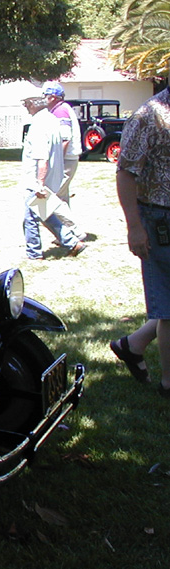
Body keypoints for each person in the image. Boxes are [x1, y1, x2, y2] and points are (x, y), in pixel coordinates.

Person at [109, 85, 170, 396]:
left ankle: (132, 345)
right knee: (169, 309)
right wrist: (135, 226)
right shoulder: (150, 115)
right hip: (161, 219)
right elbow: (126, 173)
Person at [21, 96, 86, 260]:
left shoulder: (38, 125)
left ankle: (34, 253)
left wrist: (39, 184)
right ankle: (72, 242)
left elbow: (42, 157)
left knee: (30, 218)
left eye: (26, 104)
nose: (25, 107)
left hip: (37, 179)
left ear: (33, 104)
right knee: (45, 213)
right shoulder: (51, 120)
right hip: (51, 176)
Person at [42, 81, 85, 239]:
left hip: (66, 160)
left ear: (53, 97)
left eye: (45, 95)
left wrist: (56, 163)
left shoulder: (60, 111)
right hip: (68, 159)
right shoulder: (62, 109)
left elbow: (64, 139)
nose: (43, 99)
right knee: (61, 197)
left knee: (50, 197)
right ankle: (65, 234)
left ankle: (75, 231)